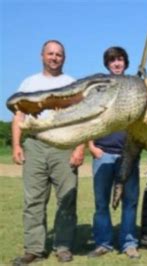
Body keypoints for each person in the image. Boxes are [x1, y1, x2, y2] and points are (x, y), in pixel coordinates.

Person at [11, 40, 85, 265]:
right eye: (51, 53)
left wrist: (79, 147)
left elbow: (83, 119)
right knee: (33, 199)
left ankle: (62, 246)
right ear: (42, 55)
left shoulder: (72, 84)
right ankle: (34, 248)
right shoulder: (29, 82)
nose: (54, 57)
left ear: (65, 58)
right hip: (35, 144)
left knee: (67, 199)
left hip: (64, 144)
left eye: (59, 54)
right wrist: (16, 145)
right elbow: (19, 117)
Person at [87, 46, 141, 259]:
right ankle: (103, 243)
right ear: (107, 64)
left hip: (128, 154)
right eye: (112, 61)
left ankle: (129, 243)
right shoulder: (100, 88)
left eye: (120, 60)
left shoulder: (133, 87)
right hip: (103, 154)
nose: (117, 63)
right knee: (101, 202)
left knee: (130, 201)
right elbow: (89, 118)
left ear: (125, 63)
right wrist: (91, 146)